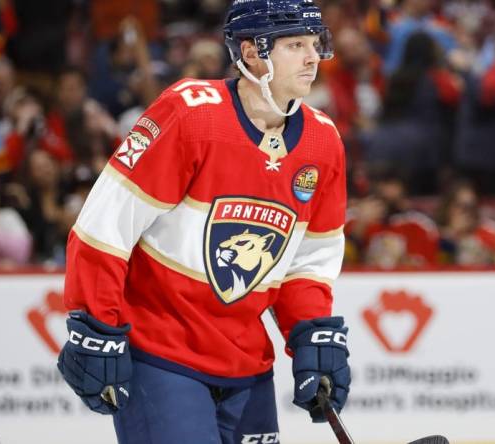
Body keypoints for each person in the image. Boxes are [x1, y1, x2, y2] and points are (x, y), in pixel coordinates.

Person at [57, 1, 351, 443]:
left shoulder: (323, 141)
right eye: (296, 45)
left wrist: (310, 334)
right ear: (252, 53)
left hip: (248, 364)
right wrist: (97, 326)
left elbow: (307, 262)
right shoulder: (190, 113)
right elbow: (106, 227)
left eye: (315, 44)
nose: (313, 57)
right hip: (162, 355)